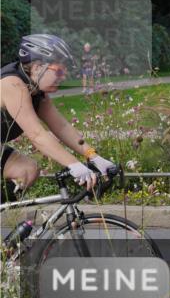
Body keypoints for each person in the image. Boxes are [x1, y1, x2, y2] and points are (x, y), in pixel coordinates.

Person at [1, 35, 111, 202]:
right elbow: (36, 134)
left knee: (27, 170)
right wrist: (73, 164)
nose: (63, 76)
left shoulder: (37, 92)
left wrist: (93, 156)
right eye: (59, 70)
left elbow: (61, 127)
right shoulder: (12, 84)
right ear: (38, 67)